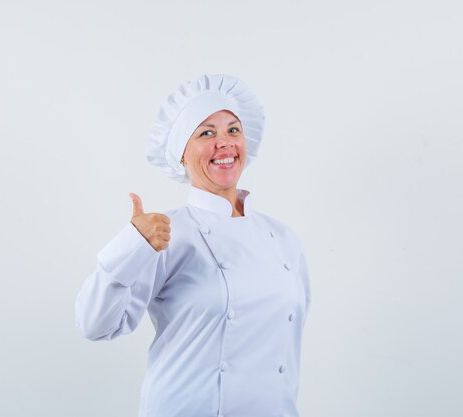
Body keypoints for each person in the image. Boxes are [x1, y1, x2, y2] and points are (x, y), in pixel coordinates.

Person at [75, 73, 312, 417]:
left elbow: (288, 352)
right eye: (206, 133)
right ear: (180, 156)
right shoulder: (165, 234)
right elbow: (95, 324)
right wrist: (130, 246)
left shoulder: (284, 239)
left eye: (233, 130)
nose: (225, 143)